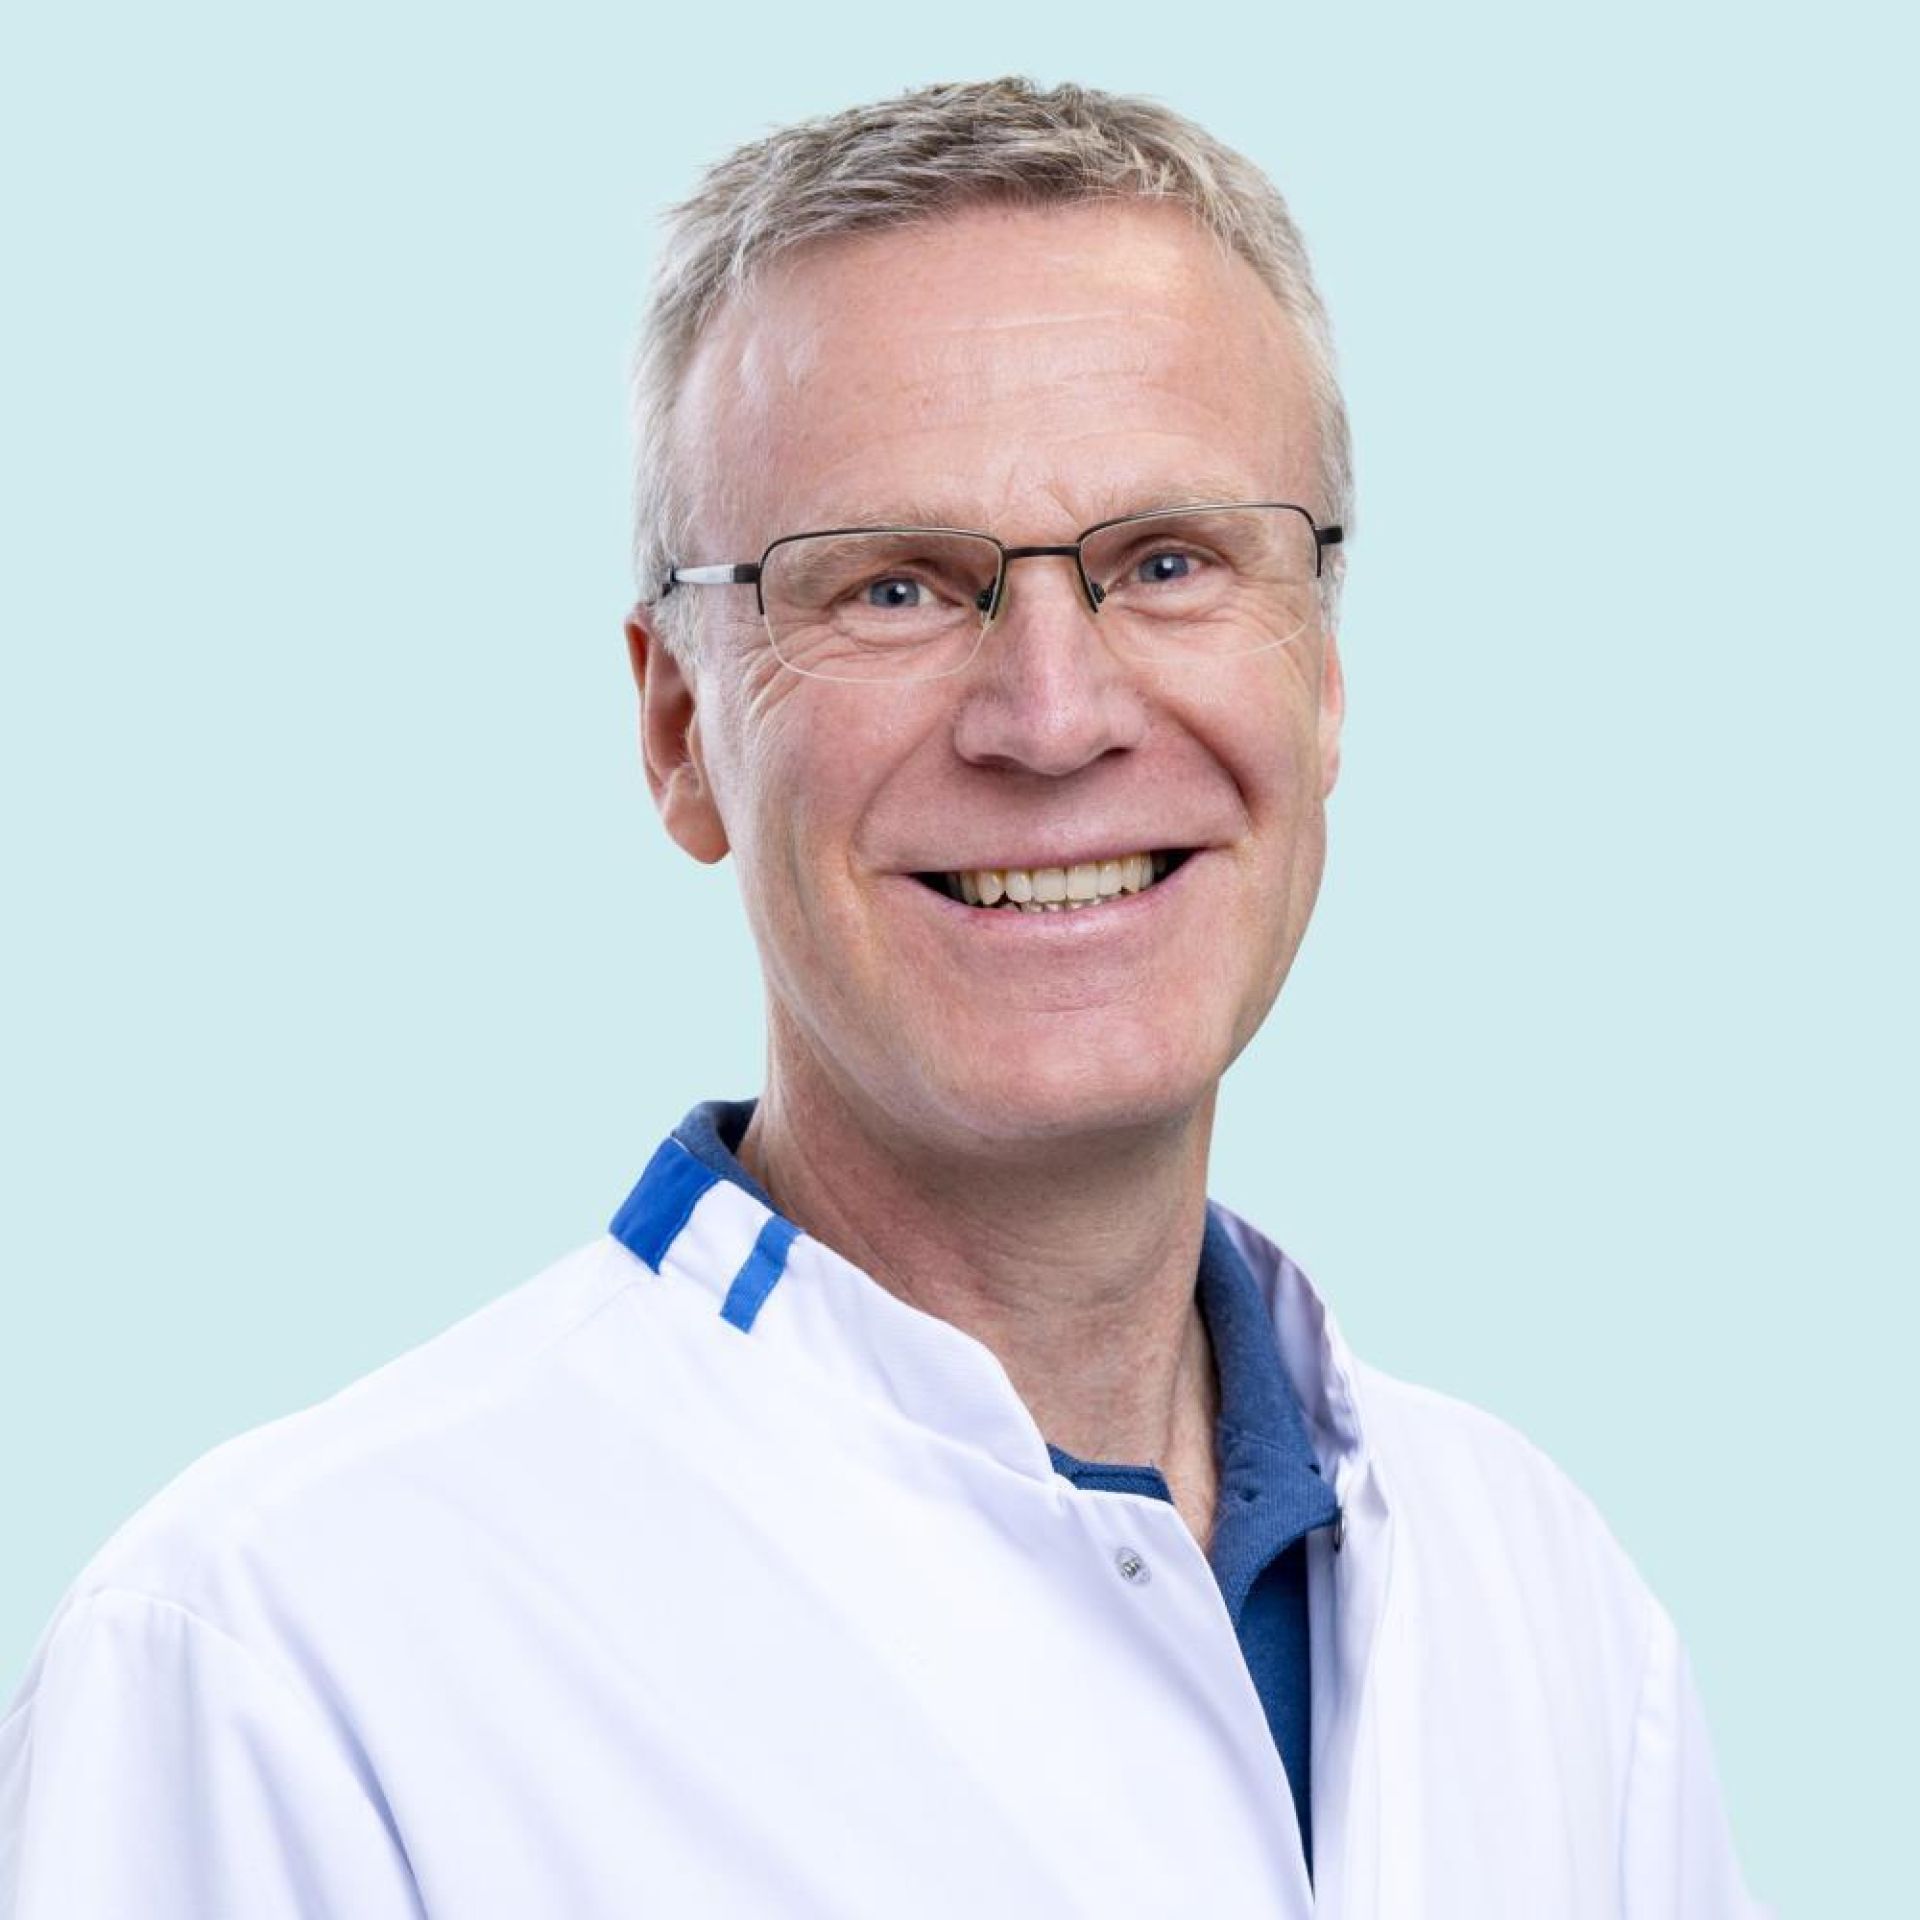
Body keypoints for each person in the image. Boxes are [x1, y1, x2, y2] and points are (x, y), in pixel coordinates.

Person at [0, 77, 1765, 1918]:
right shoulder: (282, 1665)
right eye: (897, 589)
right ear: (679, 729)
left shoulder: (1548, 1610)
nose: (1054, 717)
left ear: (1322, 679)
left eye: (1170, 563)